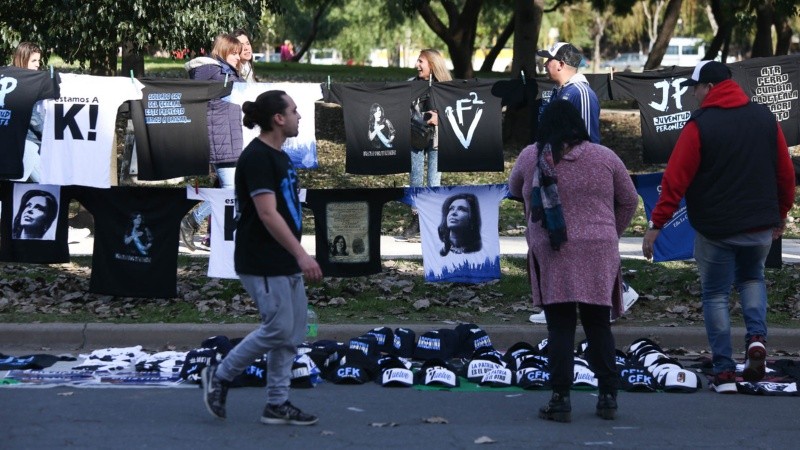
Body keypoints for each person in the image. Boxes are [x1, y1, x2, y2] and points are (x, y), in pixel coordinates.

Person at [642, 61, 796, 393]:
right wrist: (781, 213)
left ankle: (725, 369)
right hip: (759, 225)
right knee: (753, 277)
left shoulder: (699, 126)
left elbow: (675, 180)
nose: (693, 95)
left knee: (715, 294)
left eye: (695, 88)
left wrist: (657, 223)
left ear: (709, 87)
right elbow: (785, 172)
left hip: (716, 228)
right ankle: (756, 338)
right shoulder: (765, 118)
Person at [508, 100, 638, 422]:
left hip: (553, 249)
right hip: (599, 248)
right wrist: (610, 231)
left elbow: (513, 190)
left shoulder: (531, 156)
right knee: (598, 324)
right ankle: (608, 396)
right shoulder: (605, 157)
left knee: (560, 326)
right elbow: (630, 199)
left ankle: (560, 399)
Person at [201, 89, 322, 426]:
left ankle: (277, 403)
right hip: (262, 258)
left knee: (293, 332)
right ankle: (221, 376)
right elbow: (267, 214)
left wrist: (295, 253)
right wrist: (302, 255)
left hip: (282, 257)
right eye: (295, 111)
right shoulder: (256, 158)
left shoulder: (281, 157)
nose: (300, 116)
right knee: (279, 328)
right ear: (278, 119)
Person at [180, 34, 245, 251]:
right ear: (222, 52)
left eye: (239, 52)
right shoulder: (218, 75)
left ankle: (229, 238)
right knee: (231, 190)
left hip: (230, 139)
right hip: (223, 141)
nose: (238, 57)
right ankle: (192, 221)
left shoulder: (225, 74)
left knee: (233, 190)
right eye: (234, 53)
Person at [399, 49, 453, 240]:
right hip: (415, 137)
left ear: (432, 64)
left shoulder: (446, 87)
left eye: (421, 61)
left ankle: (433, 220)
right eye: (417, 61)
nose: (417, 65)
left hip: (438, 139)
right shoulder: (411, 85)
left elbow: (457, 110)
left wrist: (442, 117)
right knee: (415, 179)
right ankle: (416, 219)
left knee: (434, 181)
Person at [536, 42, 600, 144]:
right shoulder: (558, 90)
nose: (544, 64)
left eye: (549, 60)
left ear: (560, 65)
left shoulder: (581, 93)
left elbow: (589, 144)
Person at [11, 42, 45, 183]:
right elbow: (36, 122)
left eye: (38, 60)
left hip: (25, 144)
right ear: (23, 60)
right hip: (27, 145)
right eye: (33, 61)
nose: (38, 64)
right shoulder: (23, 85)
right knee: (48, 184)